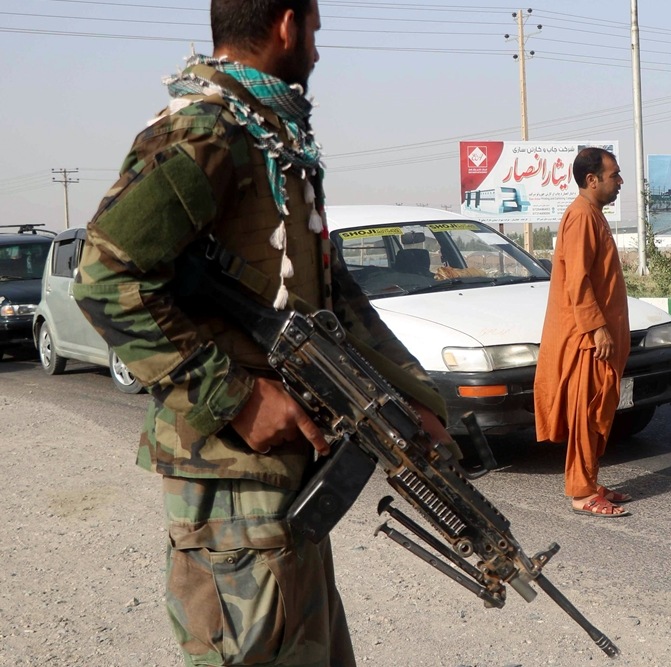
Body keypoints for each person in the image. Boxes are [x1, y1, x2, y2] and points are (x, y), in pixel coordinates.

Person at [71, 2, 451, 663]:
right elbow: (105, 275)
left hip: (283, 480)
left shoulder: (273, 140)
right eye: (315, 32)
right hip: (230, 486)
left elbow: (333, 298)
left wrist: (413, 400)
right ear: (285, 24)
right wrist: (238, 398)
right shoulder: (210, 132)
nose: (318, 52)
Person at [534, 147, 632, 518]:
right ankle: (581, 492)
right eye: (615, 175)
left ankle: (590, 482)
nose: (620, 182)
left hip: (599, 333)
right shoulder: (580, 217)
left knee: (597, 410)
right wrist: (597, 329)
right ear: (592, 180)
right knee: (585, 413)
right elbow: (578, 281)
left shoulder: (593, 215)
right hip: (586, 339)